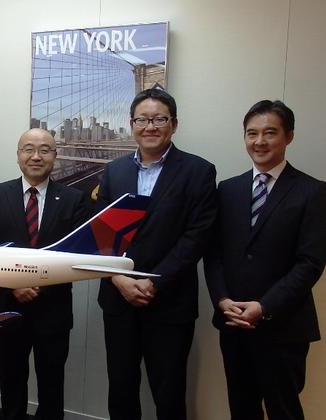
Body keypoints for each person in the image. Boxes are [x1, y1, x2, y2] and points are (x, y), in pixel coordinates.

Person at [96, 88, 217, 420]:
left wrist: (154, 282)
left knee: (169, 393)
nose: (150, 126)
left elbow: (196, 237)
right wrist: (118, 278)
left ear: (174, 124)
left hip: (169, 301)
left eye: (159, 119)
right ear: (131, 124)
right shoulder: (114, 171)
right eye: (142, 120)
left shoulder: (198, 171)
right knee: (121, 388)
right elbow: (102, 236)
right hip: (118, 299)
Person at [204, 100, 326, 420]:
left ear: (289, 136)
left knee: (284, 411)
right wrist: (222, 299)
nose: (259, 141)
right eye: (251, 133)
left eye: (270, 133)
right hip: (233, 324)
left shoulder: (313, 192)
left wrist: (264, 306)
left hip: (283, 327)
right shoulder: (227, 189)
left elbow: (310, 263)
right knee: (241, 409)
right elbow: (214, 253)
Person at [0, 128, 88, 420]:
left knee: (52, 387)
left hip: (53, 310)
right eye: (28, 149)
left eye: (44, 150)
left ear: (55, 156)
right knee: (11, 384)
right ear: (18, 155)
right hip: (7, 307)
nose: (36, 156)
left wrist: (38, 286)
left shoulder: (74, 199)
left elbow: (76, 255)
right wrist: (15, 284)